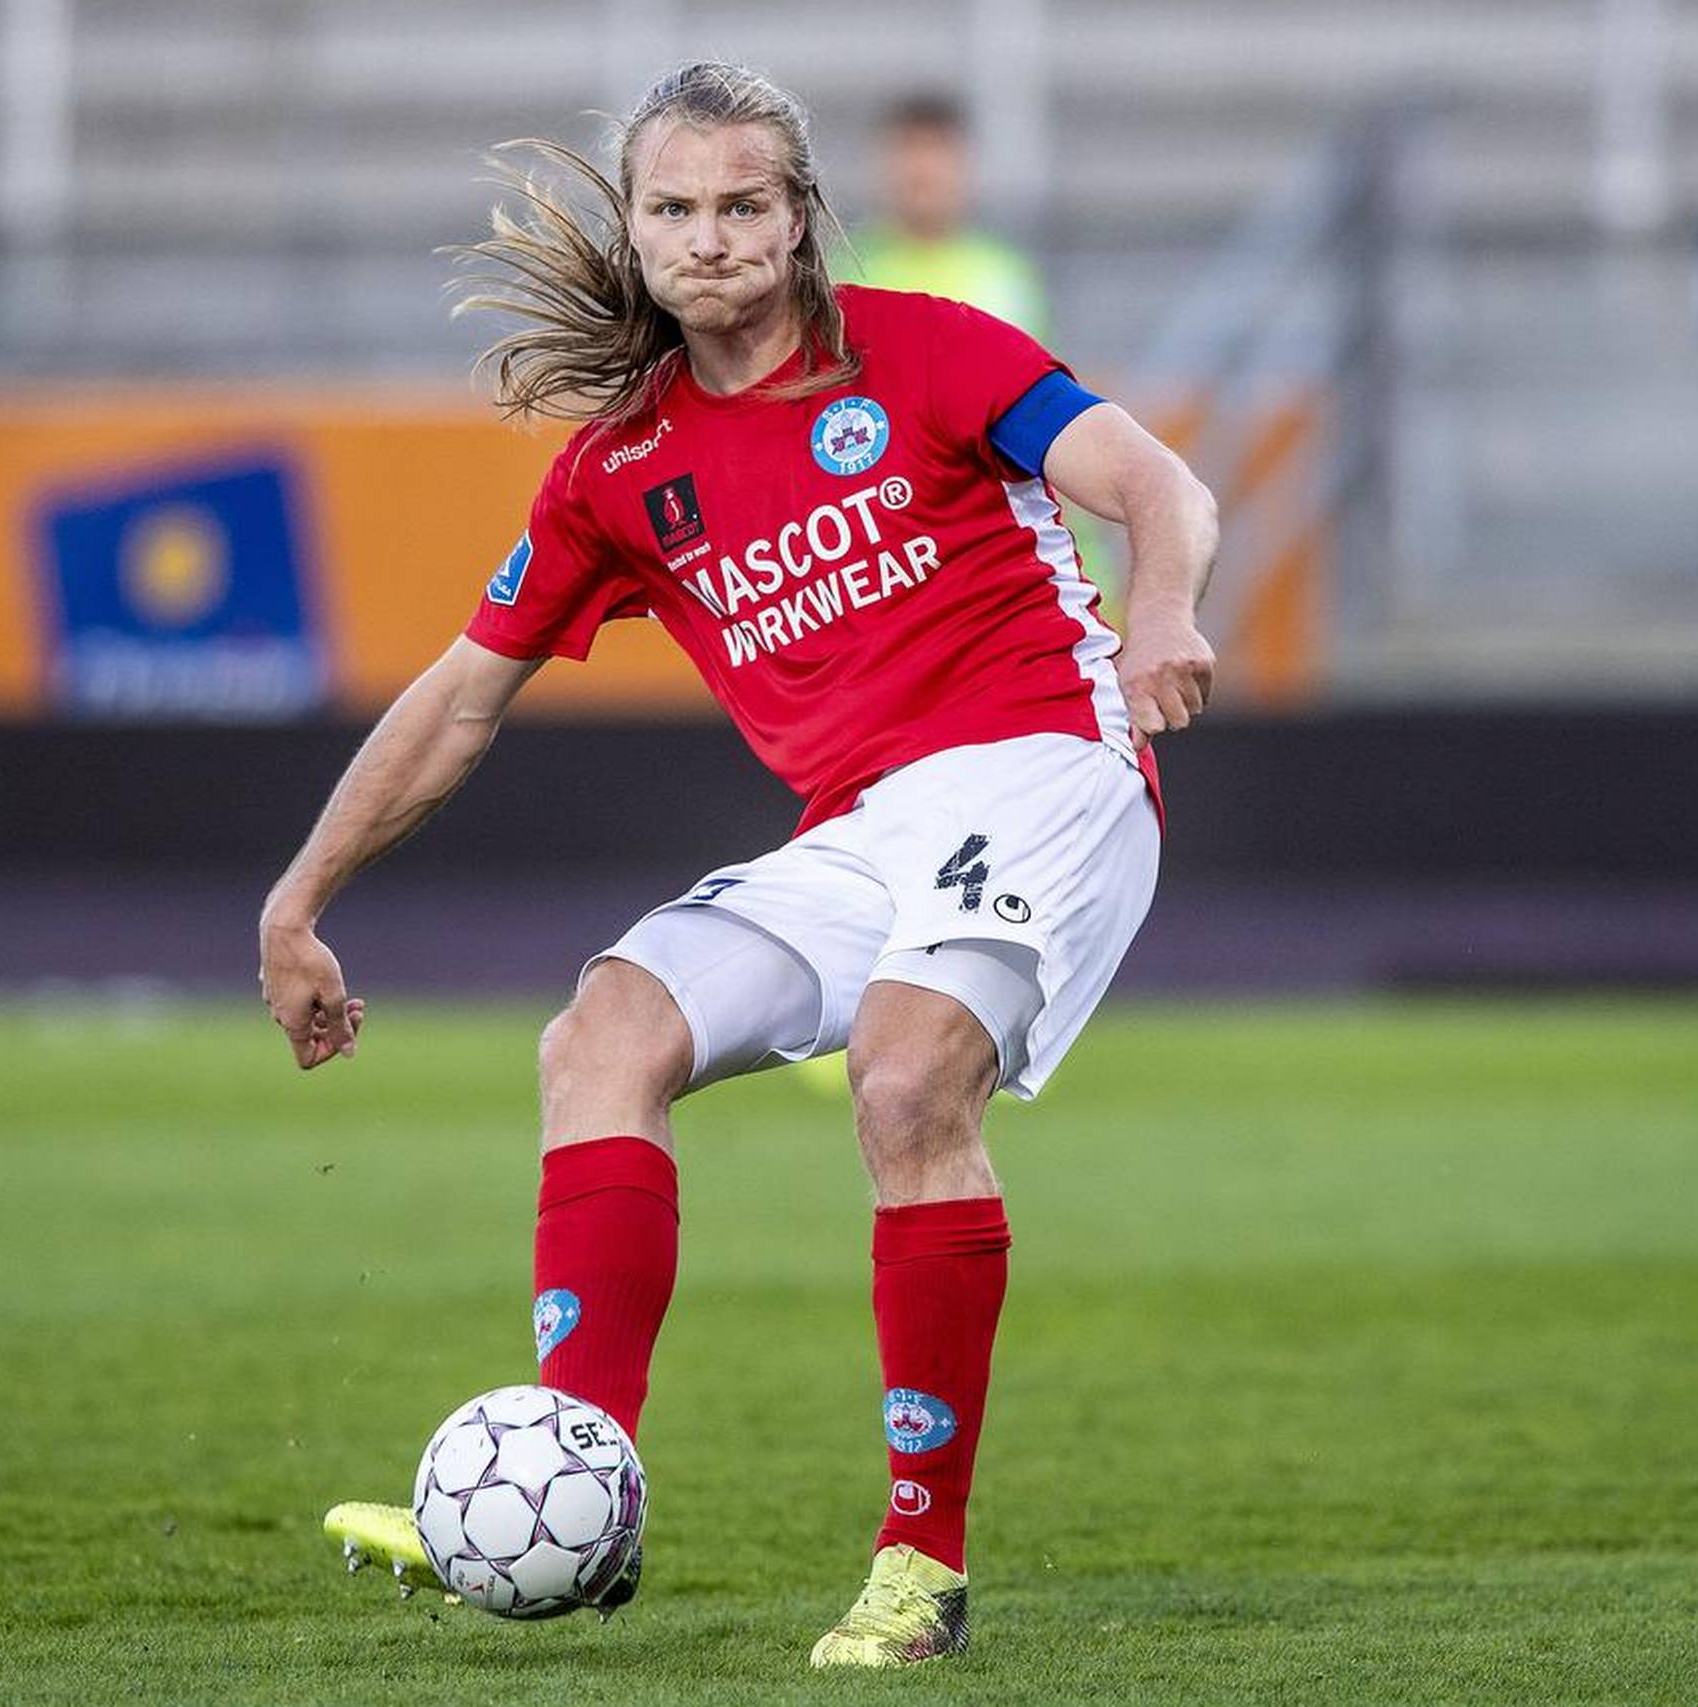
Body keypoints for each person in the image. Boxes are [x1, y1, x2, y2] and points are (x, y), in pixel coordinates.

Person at [263, 60, 1217, 1670]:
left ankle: (920, 1566)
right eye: (675, 209)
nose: (709, 239)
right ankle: (582, 1486)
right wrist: (300, 900)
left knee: (907, 1083)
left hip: (1048, 764)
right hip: (860, 828)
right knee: (602, 1033)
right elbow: (457, 698)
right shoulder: (618, 470)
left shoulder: (924, 348)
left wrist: (1169, 607)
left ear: (798, 221)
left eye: (742, 205)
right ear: (637, 233)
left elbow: (1155, 482)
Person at [851, 90, 1048, 336]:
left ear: (965, 164)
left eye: (937, 152)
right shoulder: (846, 272)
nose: (924, 170)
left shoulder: (1004, 276)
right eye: (910, 151)